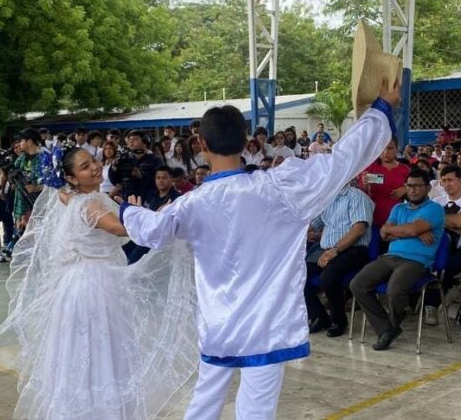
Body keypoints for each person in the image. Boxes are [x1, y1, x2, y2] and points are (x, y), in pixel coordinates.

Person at [120, 82, 399, 419]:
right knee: (256, 409)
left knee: (204, 402)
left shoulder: (192, 203)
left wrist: (129, 210)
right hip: (267, 323)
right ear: (245, 139)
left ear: (201, 144)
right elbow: (342, 159)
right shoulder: (280, 187)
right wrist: (380, 109)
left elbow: (153, 231)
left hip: (219, 323)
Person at [0, 147, 198, 420]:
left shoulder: (73, 197)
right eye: (86, 166)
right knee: (101, 351)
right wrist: (148, 215)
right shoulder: (89, 205)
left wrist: (144, 213)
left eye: (94, 161)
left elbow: (64, 195)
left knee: (86, 354)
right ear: (72, 177)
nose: (96, 167)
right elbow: (119, 228)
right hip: (94, 287)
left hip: (81, 285)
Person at [350, 169, 445, 350]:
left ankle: (391, 325)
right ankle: (386, 329)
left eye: (418, 186)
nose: (413, 190)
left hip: (417, 261)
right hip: (390, 257)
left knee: (394, 290)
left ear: (427, 188)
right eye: (409, 186)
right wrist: (411, 231)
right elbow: (384, 233)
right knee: (357, 284)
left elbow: (403, 230)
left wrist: (406, 231)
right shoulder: (398, 208)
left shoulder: (434, 209)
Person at [305, 184, 374, 337]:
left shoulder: (357, 197)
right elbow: (314, 224)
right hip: (324, 249)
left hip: (352, 249)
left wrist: (334, 251)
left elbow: (359, 229)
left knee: (327, 279)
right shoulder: (327, 196)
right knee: (297, 275)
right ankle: (319, 316)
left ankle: (339, 320)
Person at [424, 165, 461, 325]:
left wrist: (434, 221)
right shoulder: (437, 201)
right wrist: (449, 222)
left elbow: (460, 221)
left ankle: (432, 304)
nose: (447, 184)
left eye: (451, 180)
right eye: (444, 180)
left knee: (444, 266)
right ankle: (414, 298)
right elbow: (421, 221)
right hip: (436, 246)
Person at [358, 136, 410, 252]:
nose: (386, 152)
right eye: (382, 148)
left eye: (390, 148)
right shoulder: (370, 168)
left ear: (397, 149)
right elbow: (362, 193)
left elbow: (417, 189)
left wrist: (406, 188)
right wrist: (365, 184)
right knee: (374, 253)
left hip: (397, 221)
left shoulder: (405, 170)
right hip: (374, 219)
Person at [109, 130, 164, 200]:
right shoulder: (123, 159)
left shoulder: (155, 160)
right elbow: (114, 181)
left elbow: (160, 181)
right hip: (126, 198)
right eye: (129, 140)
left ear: (145, 143)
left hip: (147, 199)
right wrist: (113, 168)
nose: (131, 142)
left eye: (135, 139)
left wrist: (141, 176)